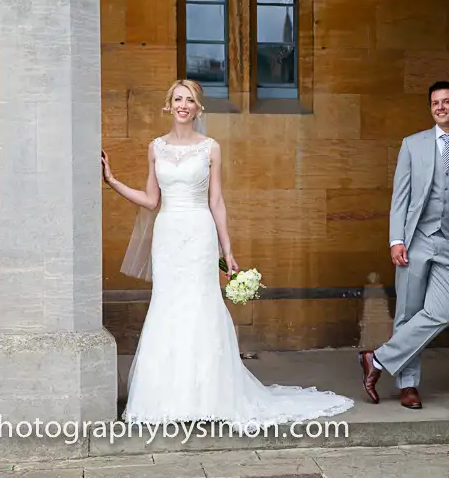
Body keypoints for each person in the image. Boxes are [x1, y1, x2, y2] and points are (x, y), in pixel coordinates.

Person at [101, 79, 353, 431]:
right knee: (167, 306)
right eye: (177, 99)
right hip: (169, 235)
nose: (183, 105)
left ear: (198, 107)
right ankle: (166, 399)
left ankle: (210, 397)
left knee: (202, 306)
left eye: (190, 99)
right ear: (168, 105)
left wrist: (227, 249)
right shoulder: (155, 147)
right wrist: (113, 181)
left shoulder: (210, 148)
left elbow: (216, 201)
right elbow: (151, 200)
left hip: (200, 234)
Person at [358, 81, 449, 409]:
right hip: (416, 241)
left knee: (442, 313)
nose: (441, 107)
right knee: (408, 312)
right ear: (431, 108)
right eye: (435, 103)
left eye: (446, 101)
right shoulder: (412, 145)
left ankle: (378, 358)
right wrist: (396, 240)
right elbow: (399, 197)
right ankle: (408, 386)